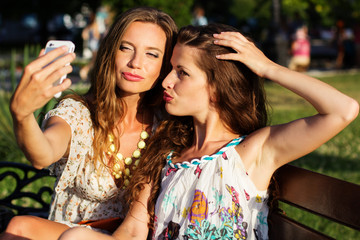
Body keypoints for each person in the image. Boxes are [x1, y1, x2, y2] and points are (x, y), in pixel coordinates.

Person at [58, 23, 359, 239]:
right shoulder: (165, 155)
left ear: (216, 89)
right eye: (170, 70)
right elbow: (134, 231)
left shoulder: (251, 152)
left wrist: (267, 67)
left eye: (182, 73)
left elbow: (343, 110)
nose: (166, 82)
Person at [0, 7, 177, 240]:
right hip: (67, 232)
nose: (136, 63)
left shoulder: (169, 126)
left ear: (167, 64)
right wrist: (22, 115)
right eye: (126, 48)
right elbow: (43, 153)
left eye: (152, 54)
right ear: (109, 52)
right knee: (19, 228)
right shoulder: (80, 113)